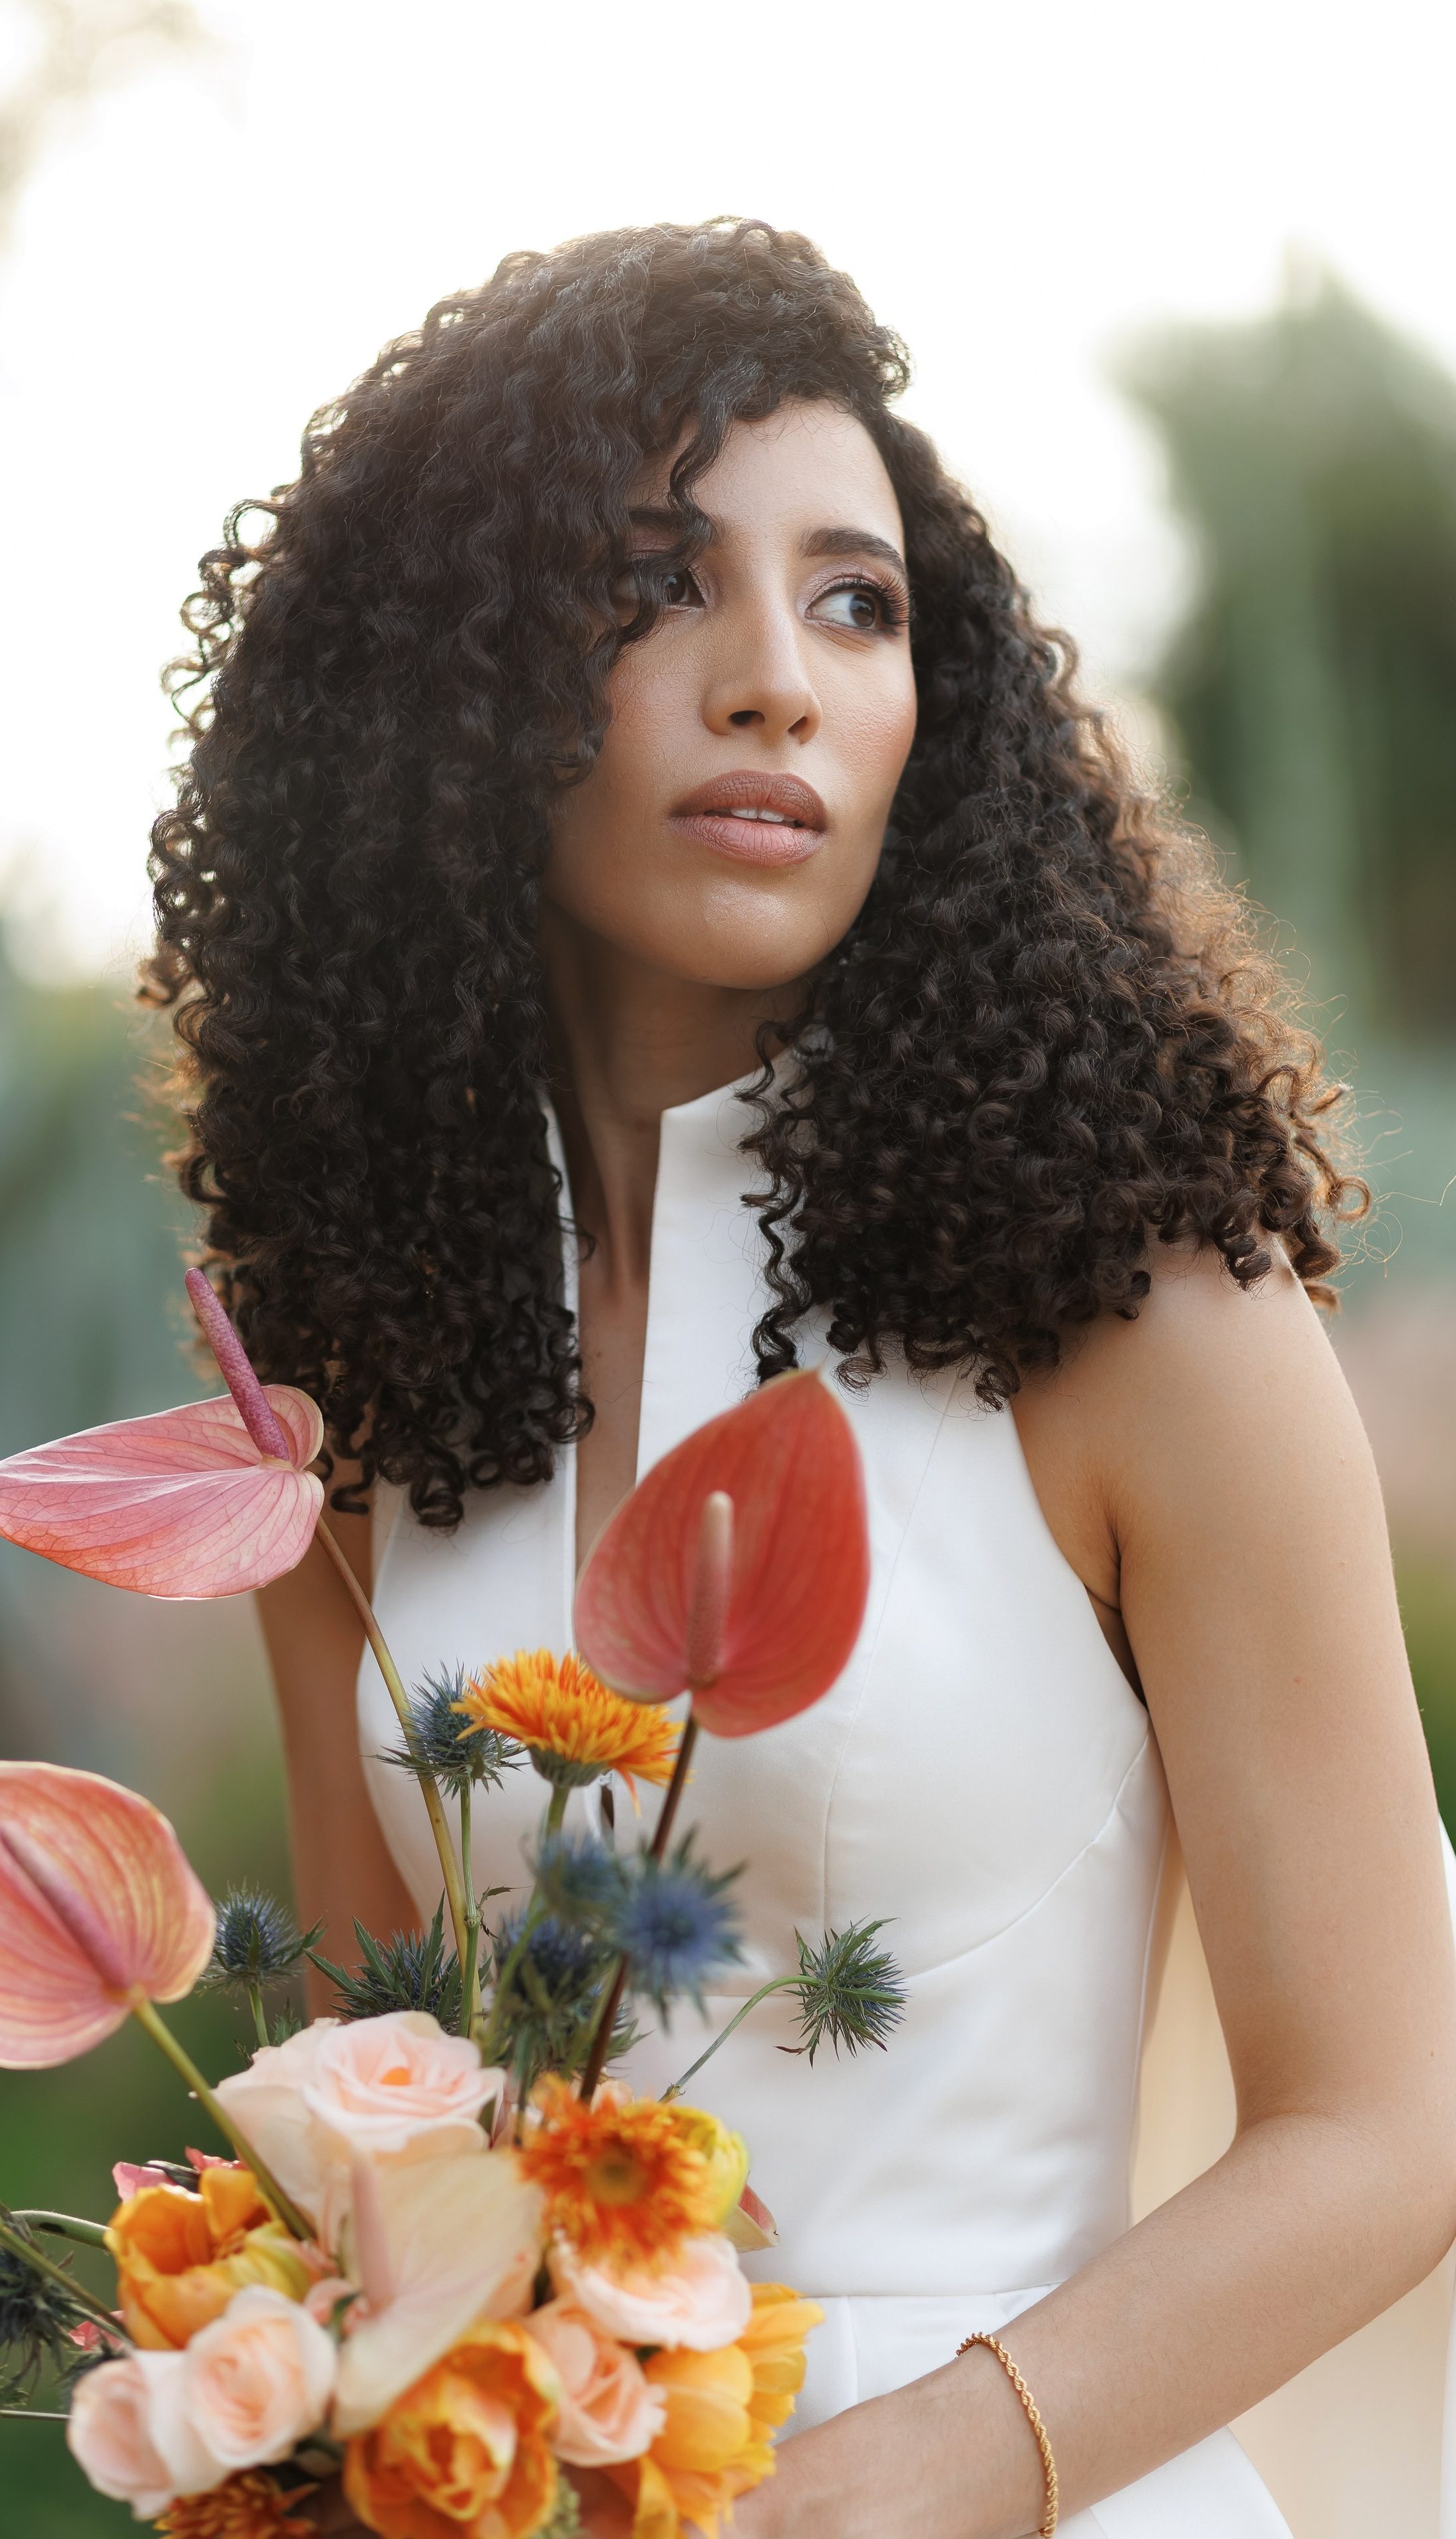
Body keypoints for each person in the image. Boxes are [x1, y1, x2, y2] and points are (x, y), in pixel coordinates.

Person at [143, 222, 1456, 2536]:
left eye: (856, 603)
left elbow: (1391, 2121)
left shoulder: (1147, 1323)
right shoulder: (354, 1374)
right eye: (661, 583)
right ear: (451, 684)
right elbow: (365, 2096)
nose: (777, 679)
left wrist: (935, 2465)